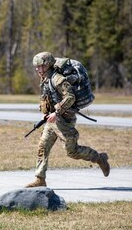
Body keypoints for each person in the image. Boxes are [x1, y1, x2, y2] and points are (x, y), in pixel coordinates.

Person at [26, 52, 110, 188]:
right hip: (52, 121)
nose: (37, 69)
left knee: (72, 152)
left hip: (64, 120)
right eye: (37, 67)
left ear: (47, 65)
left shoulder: (57, 79)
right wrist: (46, 113)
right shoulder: (45, 78)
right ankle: (40, 178)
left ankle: (100, 158)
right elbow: (48, 97)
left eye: (40, 66)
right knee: (42, 147)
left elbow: (70, 97)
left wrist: (57, 112)